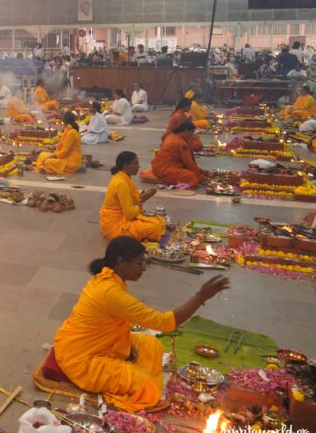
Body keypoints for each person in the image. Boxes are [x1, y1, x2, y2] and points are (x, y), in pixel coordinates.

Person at [52, 237, 230, 412]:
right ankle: (123, 382)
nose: (144, 268)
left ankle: (123, 369)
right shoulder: (110, 292)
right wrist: (200, 297)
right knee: (146, 386)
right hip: (82, 359)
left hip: (95, 345)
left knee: (150, 344)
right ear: (121, 262)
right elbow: (165, 322)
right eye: (140, 263)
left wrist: (125, 344)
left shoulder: (109, 278)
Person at [100, 151, 166, 242]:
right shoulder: (121, 183)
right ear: (125, 165)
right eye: (136, 163)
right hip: (115, 225)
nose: (138, 166)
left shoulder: (122, 177)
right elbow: (130, 214)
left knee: (160, 220)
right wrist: (141, 201)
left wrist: (139, 199)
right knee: (155, 226)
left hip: (120, 218)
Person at [150, 120, 208, 186]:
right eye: (192, 132)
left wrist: (201, 171)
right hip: (165, 169)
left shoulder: (173, 136)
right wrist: (201, 176)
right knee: (191, 177)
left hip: (159, 166)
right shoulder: (181, 143)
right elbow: (189, 164)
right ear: (186, 130)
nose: (192, 134)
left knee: (192, 172)